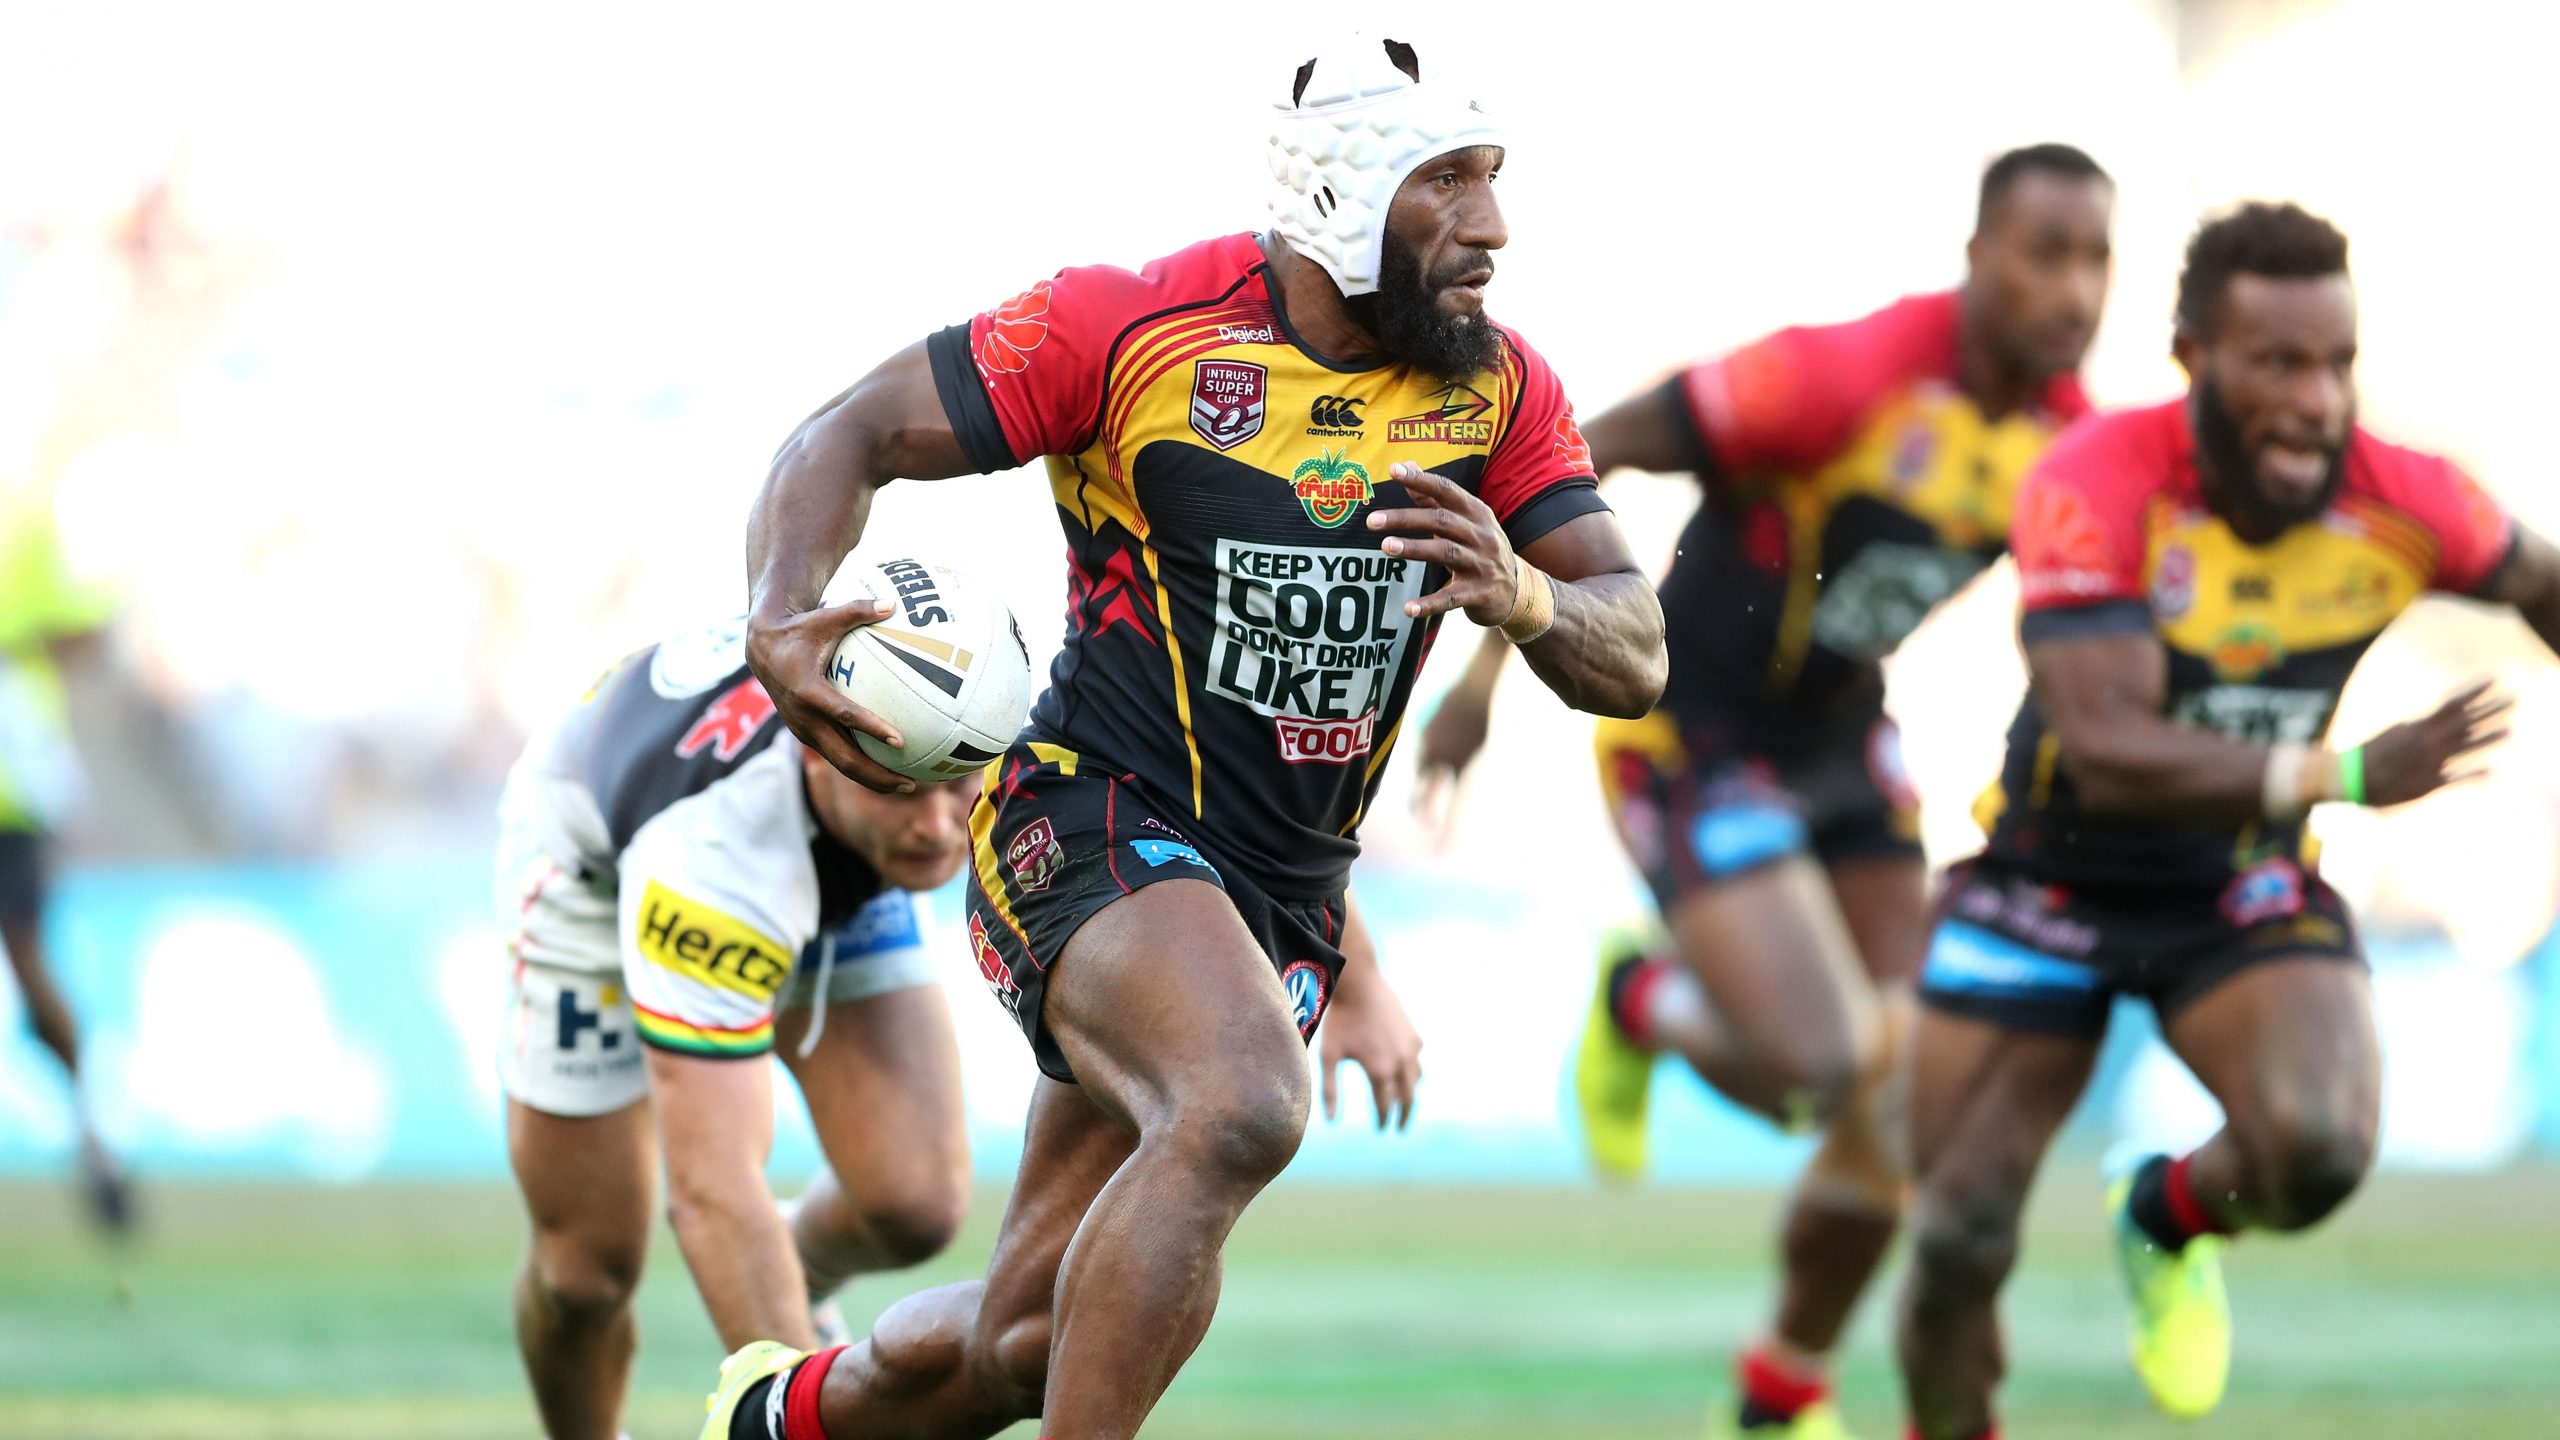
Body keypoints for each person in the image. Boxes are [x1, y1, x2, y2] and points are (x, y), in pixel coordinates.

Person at [700, 35, 1665, 1440]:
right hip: (1081, 822)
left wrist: (1521, 593)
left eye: (1493, 180)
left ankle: (776, 1420)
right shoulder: (1125, 328)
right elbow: (844, 434)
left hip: (1275, 900)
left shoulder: (1502, 393)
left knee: (1028, 1338)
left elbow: (1634, 650)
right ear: (1340, 196)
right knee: (1240, 1103)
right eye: (1445, 184)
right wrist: (780, 613)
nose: (1494, 229)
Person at [1413, 144, 2114, 1437]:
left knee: (1918, 1088)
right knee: (1827, 1059)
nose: (2073, 289)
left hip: (1843, 742)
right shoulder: (1842, 378)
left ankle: (1782, 1387)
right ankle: (1638, 1000)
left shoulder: (2066, 444)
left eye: (2097, 259)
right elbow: (1577, 452)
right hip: (1691, 727)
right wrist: (1482, 684)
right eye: (2044, 252)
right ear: (1977, 259)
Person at [1894, 201, 2560, 1440]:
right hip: (2049, 879)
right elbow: (2106, 747)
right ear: (2192, 358)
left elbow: (2540, 580)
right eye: (2277, 364)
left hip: (2234, 884)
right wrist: (2348, 777)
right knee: (1957, 1236)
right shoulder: (2090, 484)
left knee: (2313, 1149)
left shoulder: (2407, 499)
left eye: (2337, 363)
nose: (2316, 400)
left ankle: (2165, 1217)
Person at [498, 615, 978, 1440]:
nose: (938, 827)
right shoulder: (717, 853)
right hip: (595, 870)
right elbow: (711, 1185)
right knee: (586, 1273)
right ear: (817, 746)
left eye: (953, 780)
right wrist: (797, 1415)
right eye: (901, 784)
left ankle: (793, 1266)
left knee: (914, 1203)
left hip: (824, 852)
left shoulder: (955, 736)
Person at [0, 477, 131, 1232]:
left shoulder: (22, 525)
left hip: (11, 793)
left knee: (27, 964)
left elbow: (87, 631)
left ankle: (93, 1139)